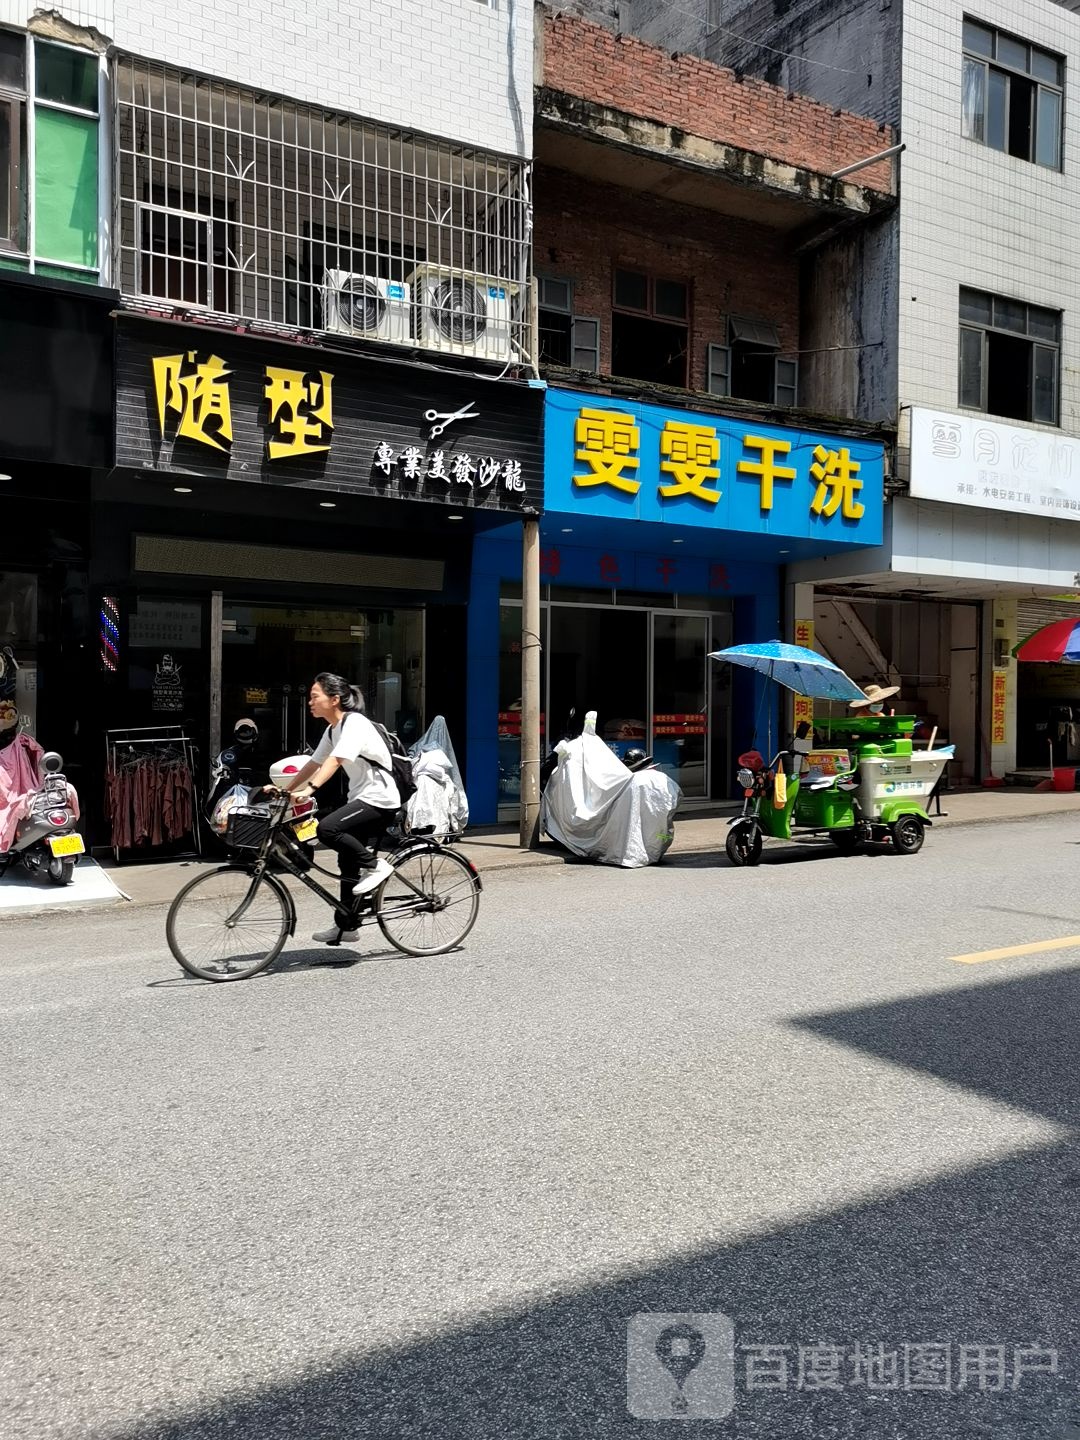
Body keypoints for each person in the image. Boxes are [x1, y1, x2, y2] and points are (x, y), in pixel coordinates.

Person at [271, 672, 401, 944]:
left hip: (380, 798)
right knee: (347, 861)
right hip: (361, 799)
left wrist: (310, 790)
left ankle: (377, 866)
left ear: (335, 699)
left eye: (315, 697)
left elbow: (336, 760)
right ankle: (347, 925)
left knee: (327, 828)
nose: (310, 702)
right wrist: (288, 789)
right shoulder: (333, 729)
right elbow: (313, 763)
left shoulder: (355, 723)